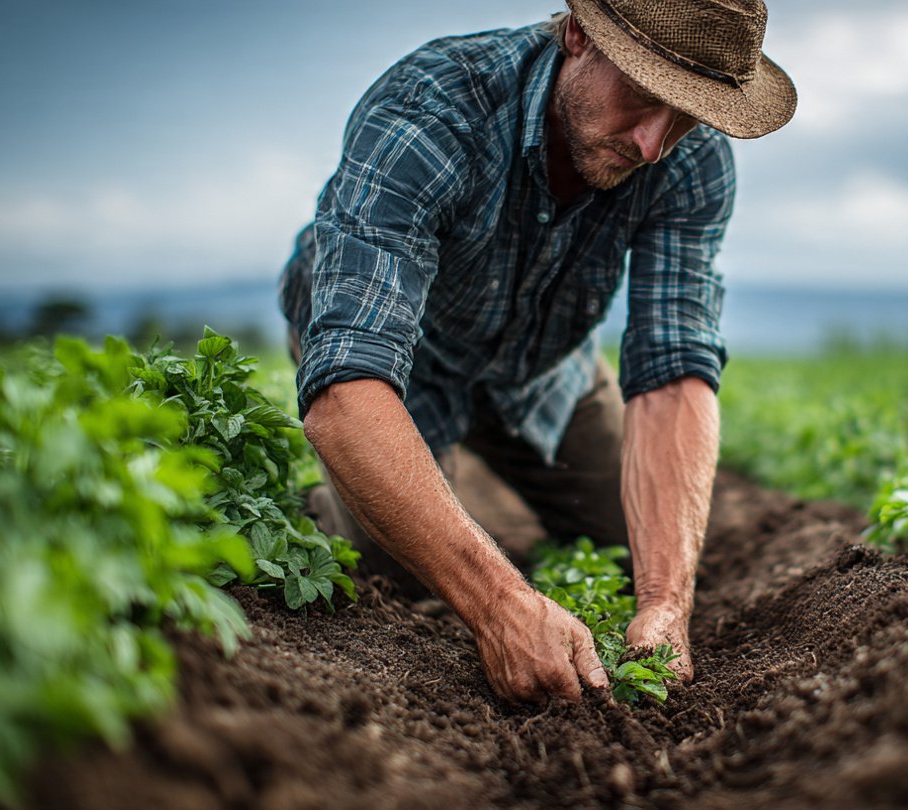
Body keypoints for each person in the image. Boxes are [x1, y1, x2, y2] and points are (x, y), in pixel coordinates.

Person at [279, 0, 796, 704]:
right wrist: (498, 605)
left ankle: (475, 497)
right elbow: (350, 383)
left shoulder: (690, 160)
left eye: (687, 114)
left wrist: (666, 599)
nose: (653, 142)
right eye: (645, 96)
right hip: (403, 364)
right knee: (390, 570)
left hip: (544, 364)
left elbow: (674, 370)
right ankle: (325, 503)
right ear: (580, 32)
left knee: (629, 546)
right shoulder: (432, 108)